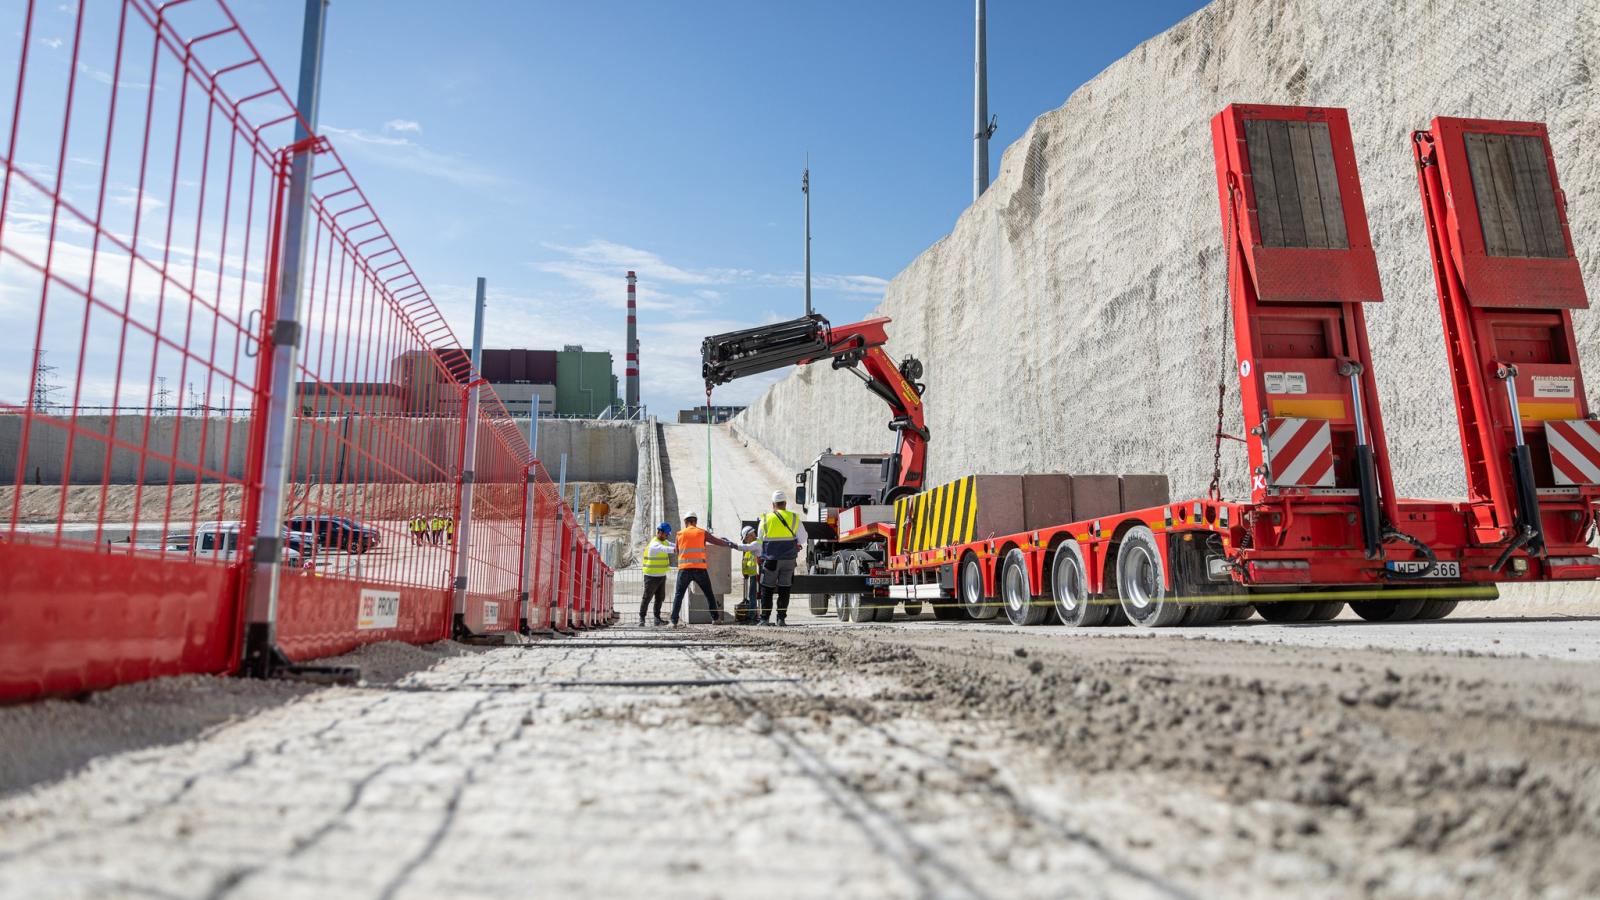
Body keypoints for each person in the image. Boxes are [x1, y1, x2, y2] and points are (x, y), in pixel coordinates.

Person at [668, 512, 733, 627]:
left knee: (679, 595)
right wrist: (727, 543)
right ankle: (716, 619)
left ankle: (673, 621)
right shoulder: (702, 532)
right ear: (695, 521)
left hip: (684, 569)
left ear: (685, 522)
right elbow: (716, 541)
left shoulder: (679, 534)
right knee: (709, 594)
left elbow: (677, 550)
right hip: (700, 570)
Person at [757, 490, 805, 626]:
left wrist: (759, 556)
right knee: (785, 588)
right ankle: (781, 619)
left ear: (773, 504)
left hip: (771, 559)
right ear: (785, 503)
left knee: (767, 588)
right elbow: (803, 538)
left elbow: (759, 540)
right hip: (789, 559)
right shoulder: (794, 518)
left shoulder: (766, 519)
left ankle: (765, 619)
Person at [639, 522, 674, 626]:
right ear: (660, 532)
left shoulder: (664, 541)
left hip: (661, 576)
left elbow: (672, 545)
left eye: (668, 535)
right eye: (666, 534)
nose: (667, 536)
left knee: (660, 598)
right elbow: (667, 549)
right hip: (651, 576)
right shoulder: (655, 544)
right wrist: (677, 549)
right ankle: (642, 618)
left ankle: (657, 618)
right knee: (647, 597)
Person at [727, 525, 761, 624]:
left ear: (750, 535)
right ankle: (752, 616)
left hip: (757, 574)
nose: (746, 541)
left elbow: (746, 547)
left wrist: (733, 545)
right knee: (752, 595)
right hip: (753, 574)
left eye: (746, 538)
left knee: (754, 596)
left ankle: (752, 617)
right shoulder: (754, 544)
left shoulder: (756, 543)